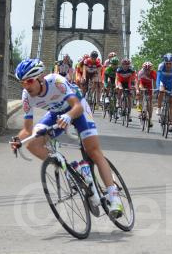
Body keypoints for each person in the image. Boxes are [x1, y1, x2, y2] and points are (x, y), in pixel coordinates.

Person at [10, 58, 123, 216]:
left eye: (29, 81)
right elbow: (27, 130)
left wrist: (69, 116)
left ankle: (114, 197)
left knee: (93, 151)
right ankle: (69, 170)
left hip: (77, 109)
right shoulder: (26, 96)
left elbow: (77, 106)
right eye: (23, 83)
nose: (26, 86)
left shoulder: (57, 81)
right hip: (56, 114)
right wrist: (17, 140)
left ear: (41, 77)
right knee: (32, 144)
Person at [156, 53, 172, 133]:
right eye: (166, 63)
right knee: (161, 91)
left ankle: (170, 123)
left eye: (170, 63)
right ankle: (159, 108)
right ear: (164, 62)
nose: (168, 65)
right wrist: (158, 87)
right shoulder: (161, 66)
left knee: (171, 103)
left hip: (171, 83)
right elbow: (158, 78)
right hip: (162, 82)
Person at [137, 61, 157, 128]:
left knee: (150, 102)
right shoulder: (141, 72)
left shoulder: (153, 73)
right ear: (143, 69)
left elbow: (154, 83)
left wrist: (155, 90)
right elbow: (138, 83)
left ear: (151, 69)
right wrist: (137, 90)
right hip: (142, 84)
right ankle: (139, 110)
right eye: (146, 70)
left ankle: (150, 119)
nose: (147, 71)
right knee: (140, 96)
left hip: (149, 85)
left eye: (149, 70)